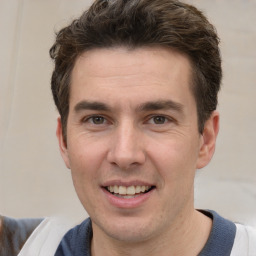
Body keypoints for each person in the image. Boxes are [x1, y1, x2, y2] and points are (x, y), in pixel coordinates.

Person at [10, 0, 256, 255]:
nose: (125, 155)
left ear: (205, 139)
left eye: (158, 119)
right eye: (97, 119)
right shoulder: (20, 247)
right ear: (64, 141)